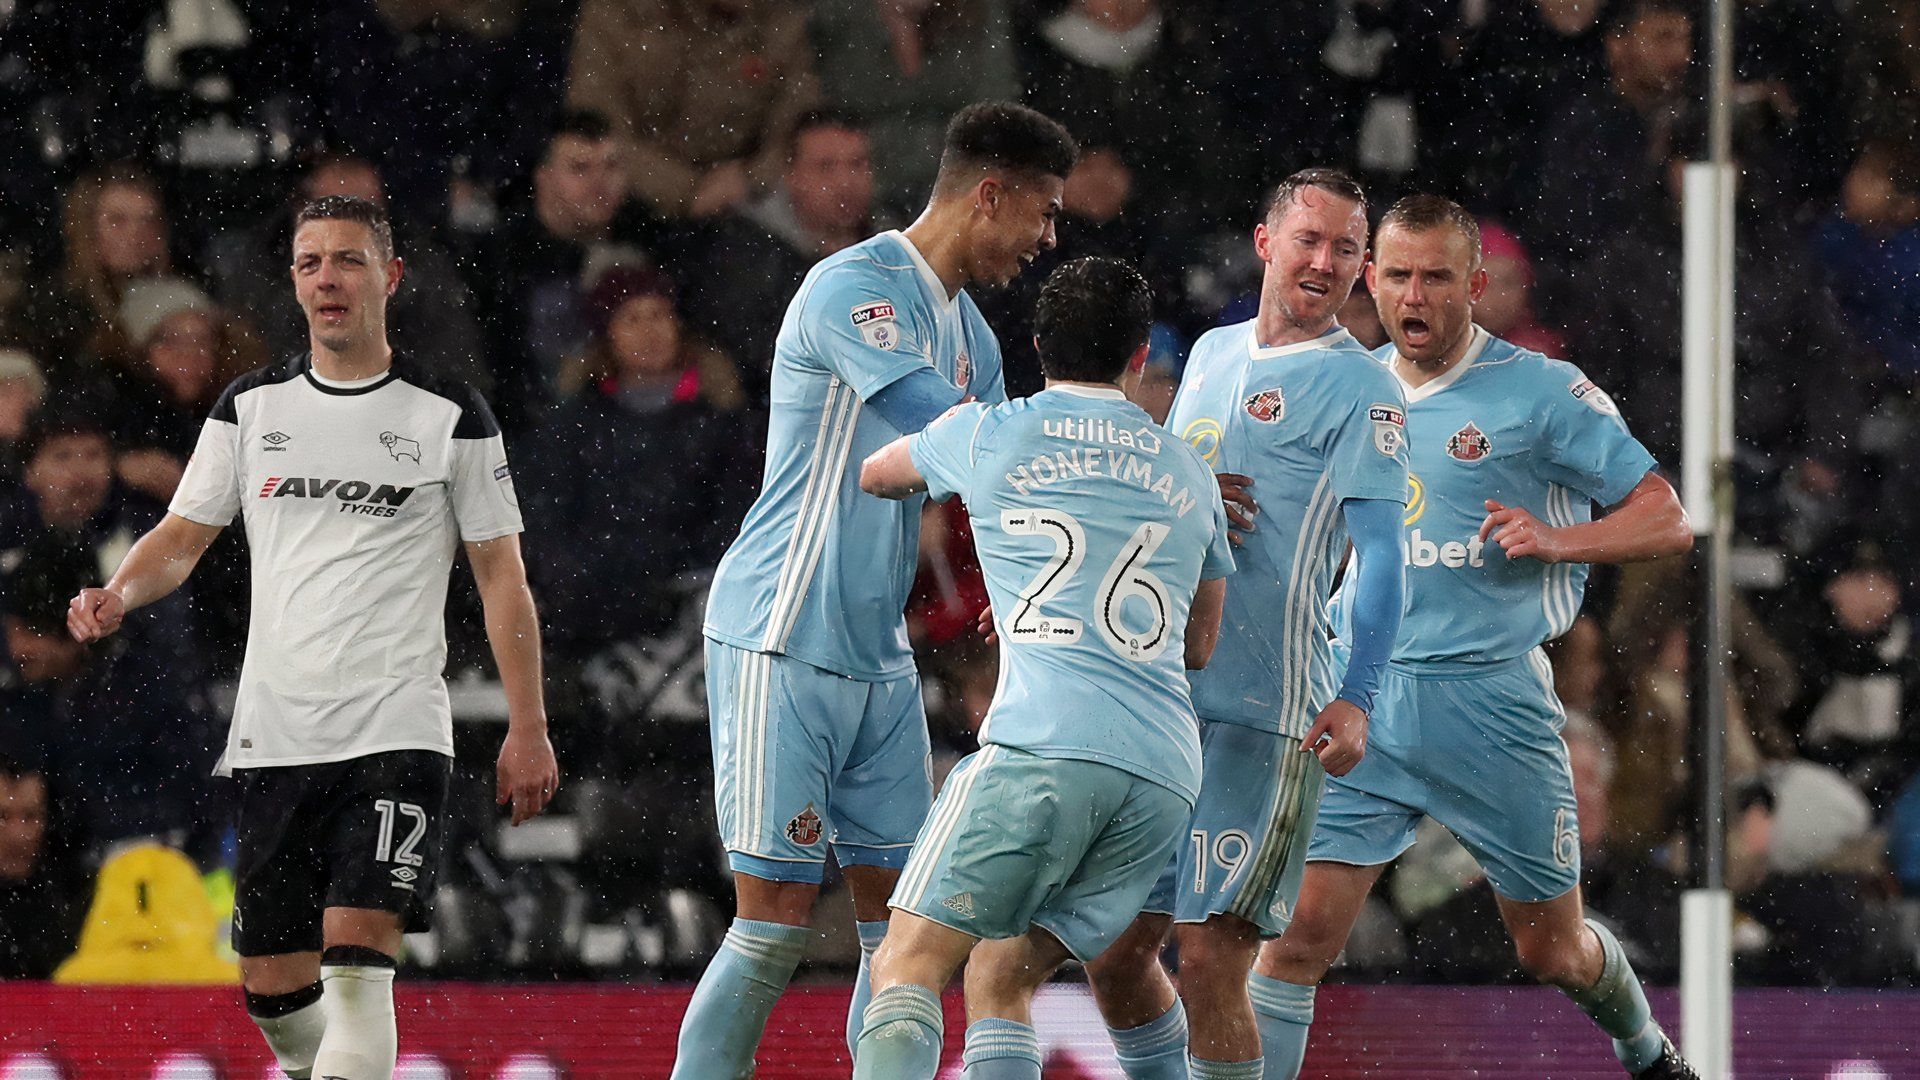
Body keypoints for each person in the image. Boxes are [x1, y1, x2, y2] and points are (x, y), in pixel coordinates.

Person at [65, 195, 559, 1080]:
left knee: (359, 972)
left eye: (348, 260)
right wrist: (118, 592)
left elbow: (501, 576)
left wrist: (529, 725)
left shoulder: (449, 414)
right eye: (309, 263)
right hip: (277, 731)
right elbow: (182, 539)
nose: (328, 278)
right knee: (274, 990)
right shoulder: (251, 407)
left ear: (390, 277)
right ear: (293, 284)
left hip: (396, 729)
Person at [1251, 195, 1697, 1080]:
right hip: (1359, 697)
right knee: (1297, 938)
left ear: (1477, 285)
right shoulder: (1343, 384)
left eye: (1438, 277)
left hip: (1490, 702)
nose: (1415, 295)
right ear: (1370, 279)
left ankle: (1648, 1055)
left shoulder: (1542, 392)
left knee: (1552, 953)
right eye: (1399, 275)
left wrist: (1559, 539)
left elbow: (1669, 519)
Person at [678, 101, 1075, 1077]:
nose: (1048, 239)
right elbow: (937, 427)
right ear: (991, 195)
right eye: (1043, 213)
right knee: (771, 924)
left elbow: (985, 489)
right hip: (781, 631)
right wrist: (1119, 457)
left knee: (907, 932)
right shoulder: (851, 287)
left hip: (879, 656)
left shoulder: (973, 334)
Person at [850, 256, 1233, 1079]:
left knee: (906, 965)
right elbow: (1199, 645)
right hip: (1162, 774)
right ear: (1139, 356)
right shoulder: (1189, 473)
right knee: (1001, 968)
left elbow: (876, 475)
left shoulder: (990, 429)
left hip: (1044, 752)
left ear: (1034, 345)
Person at [1081, 168, 1410, 1080]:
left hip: (1270, 712)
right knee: (1114, 954)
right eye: (1310, 239)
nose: (1326, 261)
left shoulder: (1364, 392)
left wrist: (1358, 693)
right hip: (1163, 703)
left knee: (1214, 956)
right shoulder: (1213, 356)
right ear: (1265, 242)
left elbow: (1384, 554)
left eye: (1347, 248)